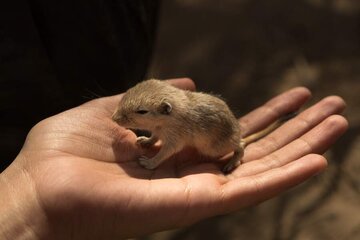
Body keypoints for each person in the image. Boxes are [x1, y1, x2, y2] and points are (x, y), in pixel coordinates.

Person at [0, 78, 348, 239]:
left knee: (214, 150)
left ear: (165, 110)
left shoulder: (178, 121)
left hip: (218, 137)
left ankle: (238, 150)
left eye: (136, 114)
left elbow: (173, 144)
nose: (122, 120)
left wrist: (153, 160)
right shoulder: (167, 116)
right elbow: (161, 137)